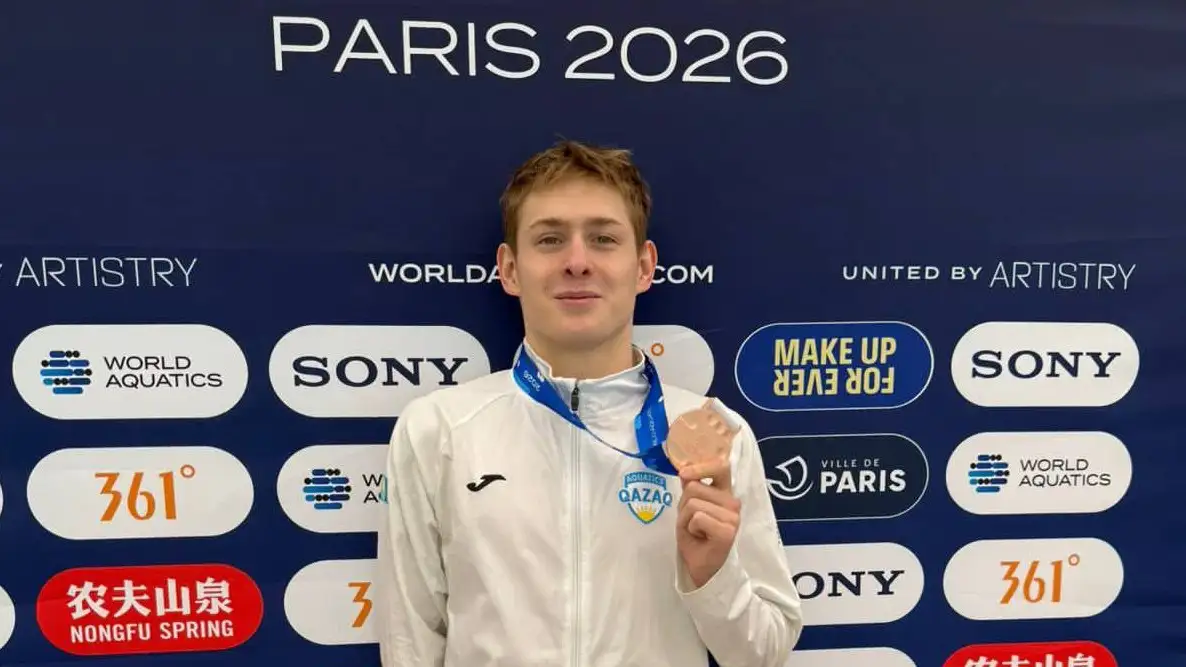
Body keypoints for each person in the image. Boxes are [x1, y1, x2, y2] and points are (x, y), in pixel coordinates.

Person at [374, 139, 804, 667]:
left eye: (603, 238)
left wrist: (714, 576)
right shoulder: (437, 429)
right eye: (550, 239)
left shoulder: (716, 436)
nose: (577, 262)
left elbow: (764, 652)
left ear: (643, 266)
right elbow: (409, 644)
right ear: (510, 269)